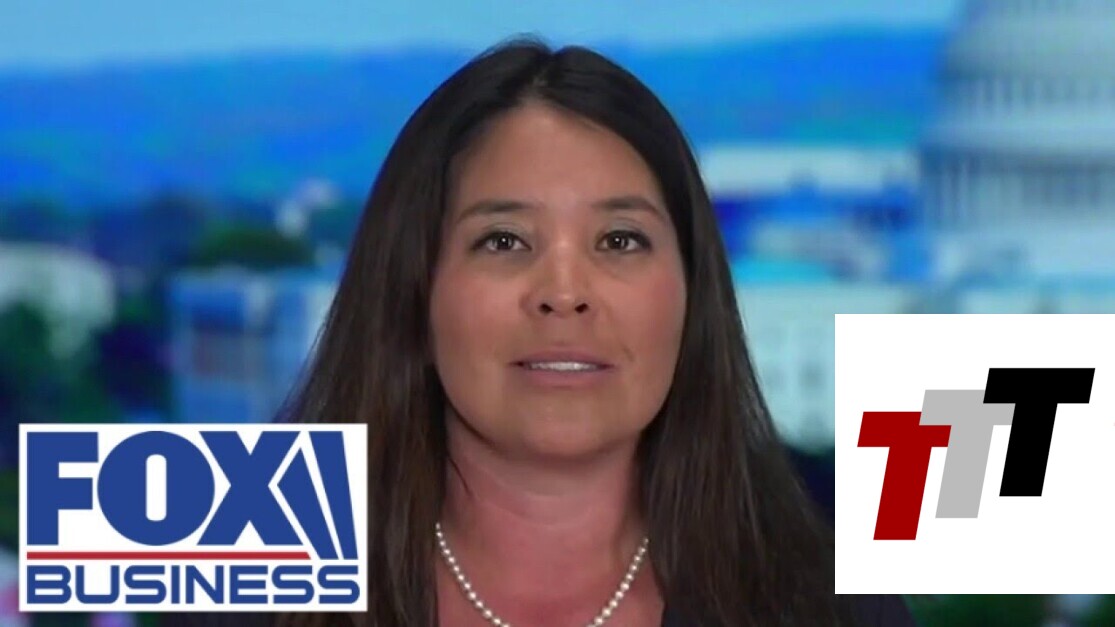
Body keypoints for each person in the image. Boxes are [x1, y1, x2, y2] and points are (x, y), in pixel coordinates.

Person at [165, 39, 918, 626]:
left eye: (619, 240)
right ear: (415, 290)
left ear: (692, 294)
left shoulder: (828, 603)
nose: (564, 293)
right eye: (503, 241)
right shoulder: (241, 587)